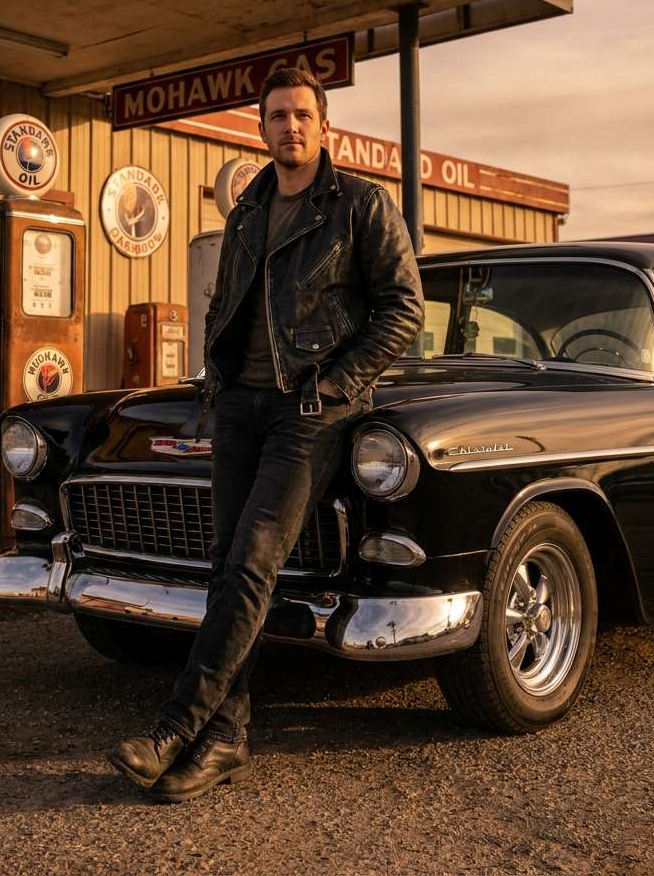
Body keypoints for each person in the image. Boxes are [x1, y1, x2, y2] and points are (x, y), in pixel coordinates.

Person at [108, 67, 424, 802]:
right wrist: (216, 385)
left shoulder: (360, 205)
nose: (291, 126)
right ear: (263, 128)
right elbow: (228, 303)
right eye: (277, 116)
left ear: (324, 127)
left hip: (309, 410)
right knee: (227, 565)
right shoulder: (249, 209)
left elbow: (403, 309)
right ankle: (226, 737)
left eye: (303, 115)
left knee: (253, 559)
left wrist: (337, 384)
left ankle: (173, 727)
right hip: (241, 405)